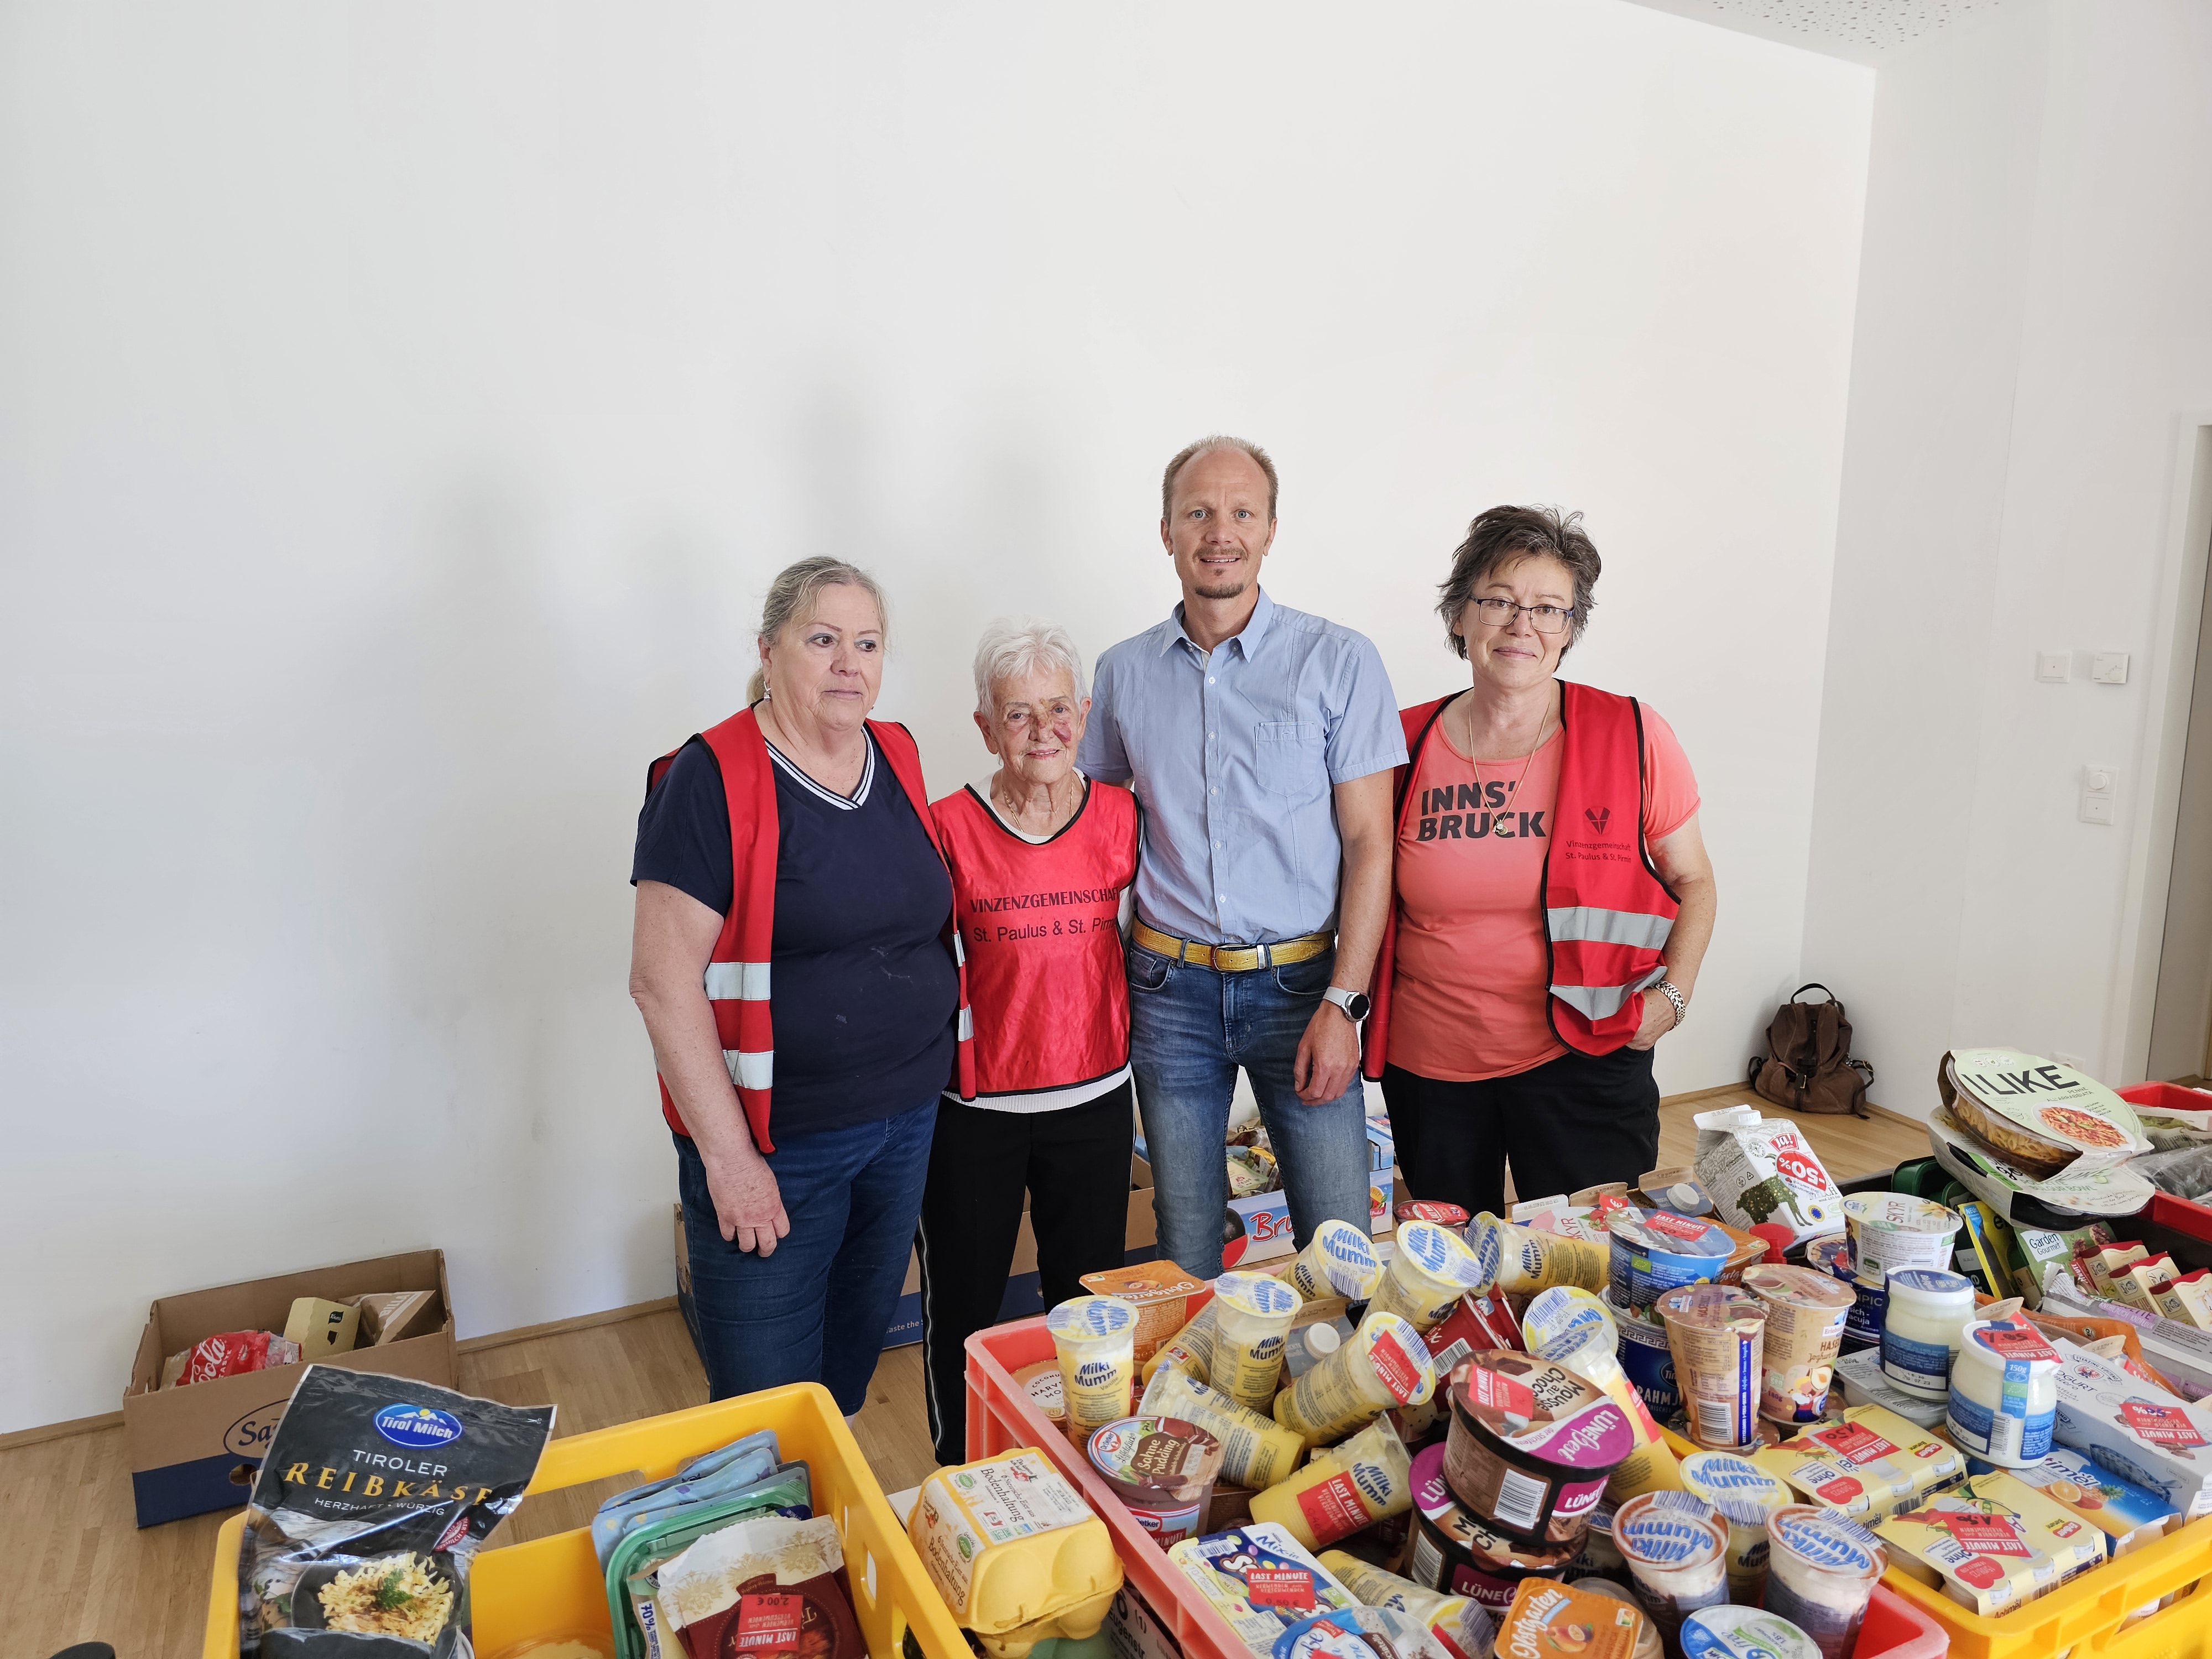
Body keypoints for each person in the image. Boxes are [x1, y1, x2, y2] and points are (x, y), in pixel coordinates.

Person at [628, 557, 960, 1414]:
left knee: (846, 1366)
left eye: (868, 643)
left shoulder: (898, 751)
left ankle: (833, 1525)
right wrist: (729, 1160)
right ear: (770, 650)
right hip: (781, 1145)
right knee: (764, 1401)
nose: (850, 663)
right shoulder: (709, 777)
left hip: (903, 1123)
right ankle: (762, 1539)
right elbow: (663, 985)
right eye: (823, 639)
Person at [1079, 435, 1406, 1280]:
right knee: (1185, 1247)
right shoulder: (1121, 675)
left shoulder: (1339, 660)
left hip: (1303, 989)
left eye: (1240, 513)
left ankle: (1345, 1407)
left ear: (1269, 530)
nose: (1218, 531)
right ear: (1165, 531)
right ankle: (1195, 1412)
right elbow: (1094, 832)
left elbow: (1373, 845)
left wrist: (1347, 1002)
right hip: (1168, 992)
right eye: (1198, 513)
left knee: (1339, 1249)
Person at [1363, 506, 1717, 1215]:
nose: (1521, 624)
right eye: (1497, 601)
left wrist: (1671, 1000)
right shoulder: (1400, 742)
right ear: (1459, 615)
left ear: (1569, 630)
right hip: (1432, 1069)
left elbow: (1694, 880)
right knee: (1453, 1274)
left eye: (1548, 609)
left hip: (1585, 1056)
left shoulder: (1631, 734)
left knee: (1587, 1265)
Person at [917, 618, 1142, 1465]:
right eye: (1017, 715)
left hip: (1093, 1097)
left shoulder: (1122, 817)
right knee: (968, 1310)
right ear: (984, 727)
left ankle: (1090, 1464)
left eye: (1057, 710)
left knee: (1087, 1309)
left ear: (1083, 714)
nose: (1042, 731)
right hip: (974, 1107)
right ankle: (963, 1467)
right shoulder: (945, 825)